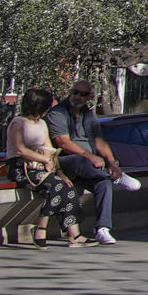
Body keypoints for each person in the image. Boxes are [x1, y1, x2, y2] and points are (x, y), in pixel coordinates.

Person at [49, 90, 139, 246]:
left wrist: (112, 163)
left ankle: (102, 228)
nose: (78, 97)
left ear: (89, 97)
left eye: (83, 94)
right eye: (75, 93)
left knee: (103, 185)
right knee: (80, 160)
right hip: (64, 162)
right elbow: (63, 143)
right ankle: (112, 177)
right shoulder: (58, 114)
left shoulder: (88, 116)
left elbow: (99, 141)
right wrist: (89, 156)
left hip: (89, 168)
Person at [3, 89, 74, 247]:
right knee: (56, 186)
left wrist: (59, 171)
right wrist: (43, 159)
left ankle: (74, 234)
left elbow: (50, 150)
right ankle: (41, 228)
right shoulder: (18, 123)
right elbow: (20, 149)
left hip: (39, 168)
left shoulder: (42, 124)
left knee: (67, 188)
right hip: (20, 167)